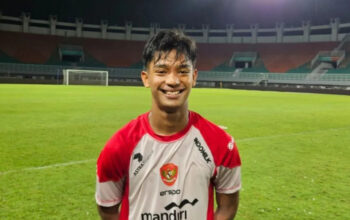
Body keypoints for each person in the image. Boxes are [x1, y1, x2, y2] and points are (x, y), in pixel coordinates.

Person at [95, 29, 241, 220]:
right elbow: (108, 210)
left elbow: (228, 208)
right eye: (162, 71)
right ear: (146, 78)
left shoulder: (221, 144)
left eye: (182, 71)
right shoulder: (118, 147)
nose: (172, 81)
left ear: (194, 77)